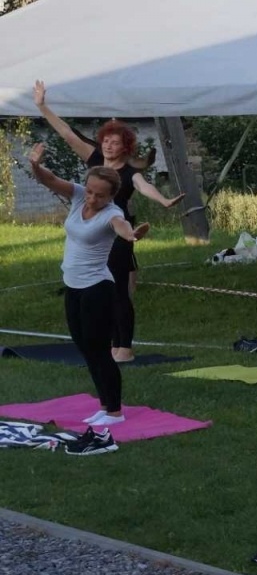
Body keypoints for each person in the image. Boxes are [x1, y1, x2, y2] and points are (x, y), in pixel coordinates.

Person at [34, 81, 182, 363]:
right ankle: (107, 343)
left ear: (125, 147)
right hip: (91, 236)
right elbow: (67, 133)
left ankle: (124, 348)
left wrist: (163, 200)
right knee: (99, 292)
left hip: (118, 234)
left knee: (119, 292)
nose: (108, 145)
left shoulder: (128, 172)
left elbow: (144, 186)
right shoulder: (94, 159)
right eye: (105, 141)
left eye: (115, 142)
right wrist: (42, 106)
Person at [27, 143, 149, 426]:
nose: (92, 198)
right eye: (90, 191)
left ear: (111, 196)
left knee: (99, 350)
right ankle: (104, 406)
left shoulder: (112, 213)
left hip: (97, 289)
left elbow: (122, 227)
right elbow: (49, 180)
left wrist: (132, 235)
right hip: (73, 287)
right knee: (85, 348)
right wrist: (35, 165)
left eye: (100, 195)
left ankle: (115, 411)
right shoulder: (79, 196)